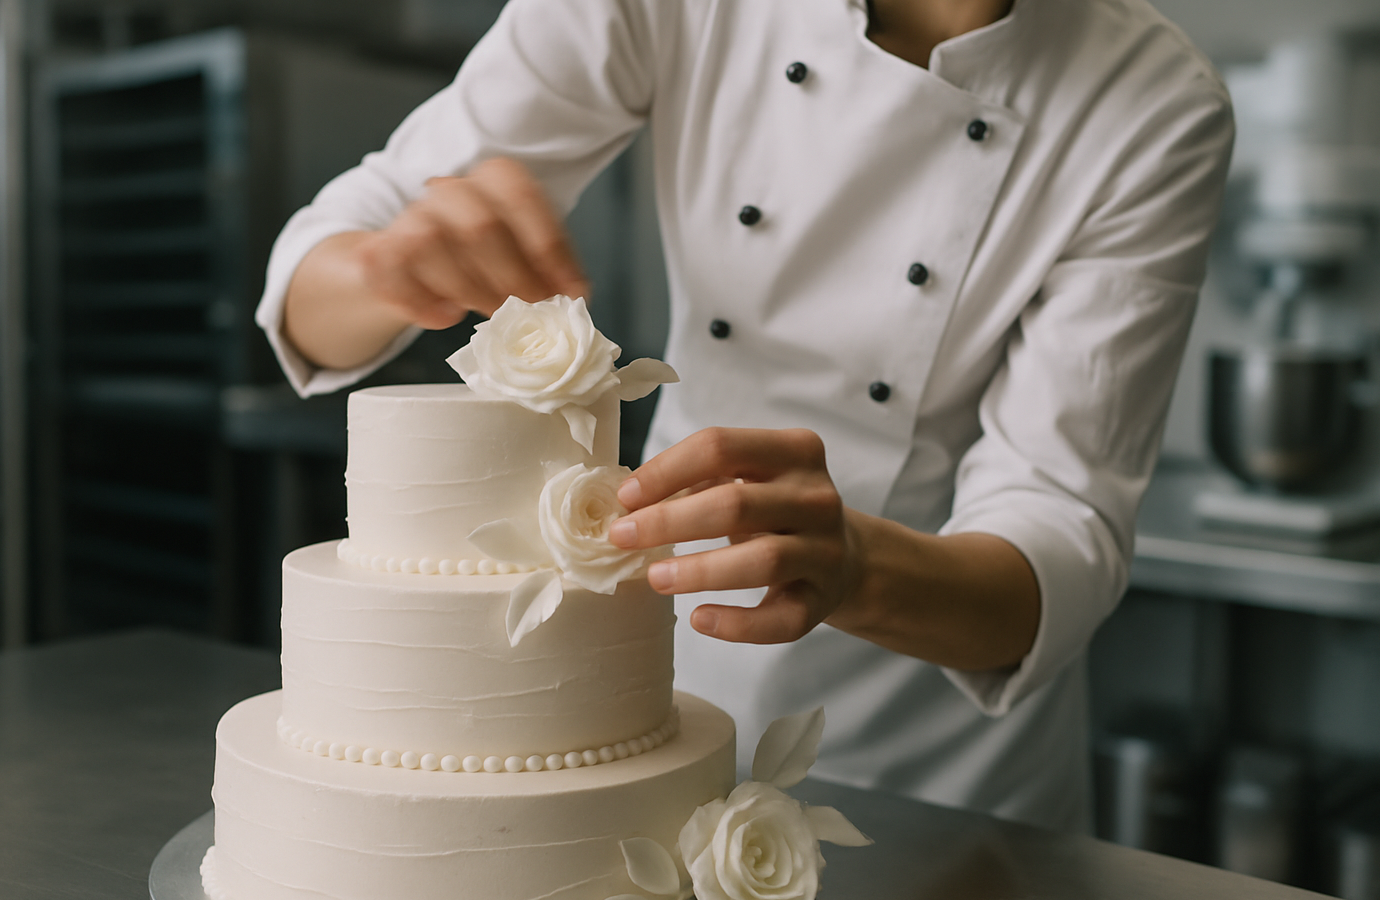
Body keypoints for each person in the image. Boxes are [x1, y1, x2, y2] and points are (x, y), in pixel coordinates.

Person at [254, 0, 1234, 832]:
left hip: (943, 777)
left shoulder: (1151, 103)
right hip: (658, 698)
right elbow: (336, 262)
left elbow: (1059, 529)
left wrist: (851, 561)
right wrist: (389, 270)